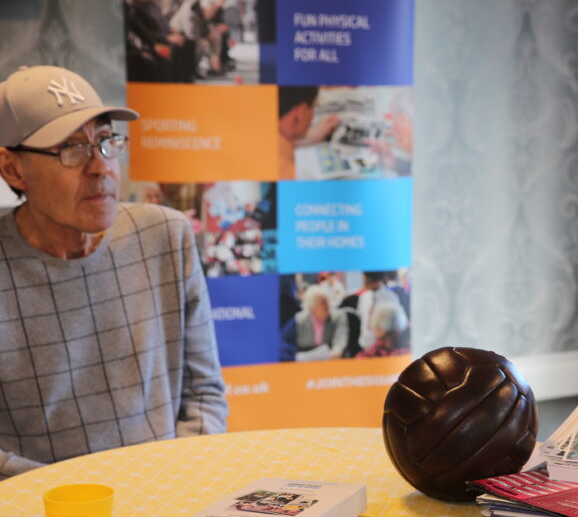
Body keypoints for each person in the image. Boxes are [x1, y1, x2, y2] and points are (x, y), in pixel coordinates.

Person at [0, 64, 228, 479]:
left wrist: (177, 477)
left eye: (105, 142)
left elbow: (204, 395)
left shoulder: (165, 236)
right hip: (39, 513)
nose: (100, 167)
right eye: (72, 148)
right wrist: (80, 497)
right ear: (13, 169)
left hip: (167, 493)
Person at [277, 86, 338, 180]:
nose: (312, 116)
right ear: (301, 113)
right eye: (313, 108)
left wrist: (308, 137)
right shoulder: (295, 177)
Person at [279, 284, 350, 361]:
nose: (327, 305)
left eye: (327, 301)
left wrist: (336, 352)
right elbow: (282, 345)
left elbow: (340, 342)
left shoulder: (338, 317)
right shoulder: (298, 320)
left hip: (330, 362)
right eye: (323, 302)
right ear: (312, 307)